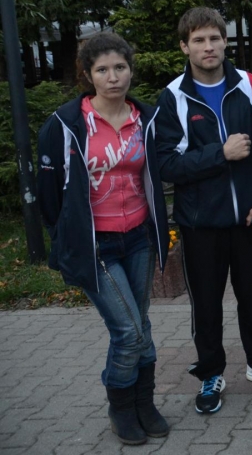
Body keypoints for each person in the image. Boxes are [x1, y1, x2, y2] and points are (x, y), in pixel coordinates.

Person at [155, 7, 252, 414]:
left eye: (214, 38)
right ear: (185, 46)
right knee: (208, 303)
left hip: (250, 216)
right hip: (200, 223)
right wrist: (221, 153)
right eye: (198, 40)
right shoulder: (174, 96)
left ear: (225, 41)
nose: (208, 46)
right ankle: (211, 372)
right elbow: (168, 165)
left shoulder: (250, 85)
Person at [37, 33, 170, 445]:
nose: (113, 77)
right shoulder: (65, 125)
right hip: (97, 244)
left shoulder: (146, 117)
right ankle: (120, 407)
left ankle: (144, 404)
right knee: (128, 331)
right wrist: (68, 238)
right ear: (88, 75)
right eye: (102, 70)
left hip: (140, 238)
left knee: (141, 324)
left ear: (130, 69)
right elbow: (48, 195)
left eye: (120, 67)